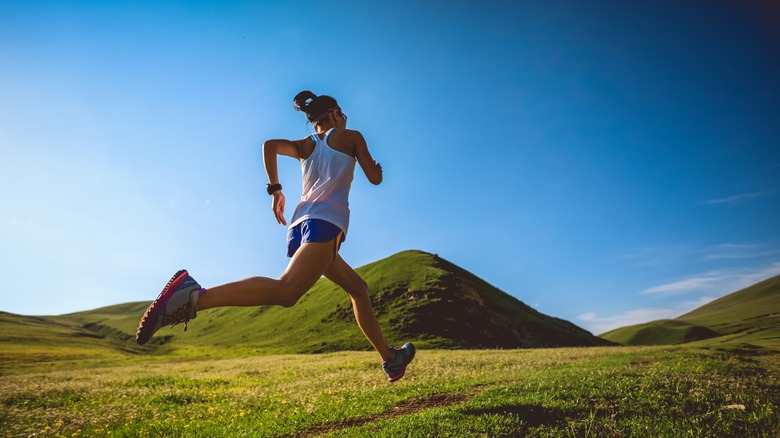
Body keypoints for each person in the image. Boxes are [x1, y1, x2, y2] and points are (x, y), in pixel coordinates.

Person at [135, 91, 415, 382]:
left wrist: (276, 190)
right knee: (286, 291)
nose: (345, 119)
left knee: (358, 288)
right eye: (343, 115)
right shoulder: (351, 136)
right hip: (326, 222)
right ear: (334, 113)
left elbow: (269, 145)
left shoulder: (306, 146)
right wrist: (376, 168)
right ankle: (193, 298)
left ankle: (390, 359)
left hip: (299, 226)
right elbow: (375, 177)